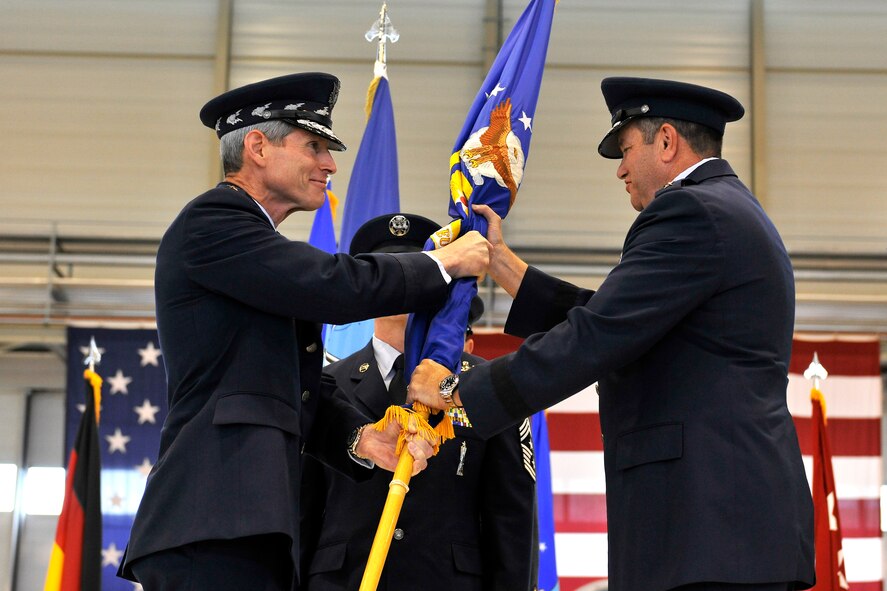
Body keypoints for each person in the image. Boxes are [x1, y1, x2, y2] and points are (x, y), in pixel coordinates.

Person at [408, 77, 815, 591]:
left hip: (706, 528)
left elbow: (600, 333)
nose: (621, 170)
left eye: (625, 150)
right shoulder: (728, 210)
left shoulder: (689, 211)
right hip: (727, 526)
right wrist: (506, 268)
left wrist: (458, 391)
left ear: (666, 141)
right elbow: (623, 322)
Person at [117, 72, 491, 591]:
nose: (330, 164)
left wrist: (362, 438)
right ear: (257, 147)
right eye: (313, 145)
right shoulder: (213, 223)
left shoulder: (254, 256)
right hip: (212, 523)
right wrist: (441, 266)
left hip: (250, 527)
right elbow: (332, 285)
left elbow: (295, 386)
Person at [299, 213, 537, 591]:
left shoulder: (481, 385)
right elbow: (303, 512)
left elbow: (510, 518)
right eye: (388, 277)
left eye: (410, 274)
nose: (399, 290)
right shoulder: (325, 383)